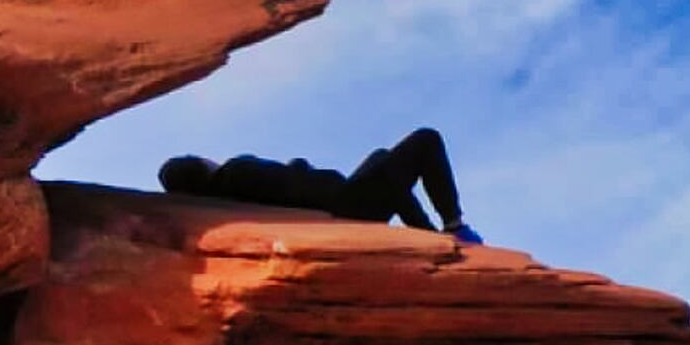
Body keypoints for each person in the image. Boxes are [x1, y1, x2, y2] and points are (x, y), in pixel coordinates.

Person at [161, 126, 479, 242]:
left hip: (340, 201)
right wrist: (300, 168)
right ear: (201, 164)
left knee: (382, 157)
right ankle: (451, 227)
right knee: (426, 140)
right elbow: (288, 187)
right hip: (341, 204)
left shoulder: (223, 195)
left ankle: (427, 233)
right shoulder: (235, 171)